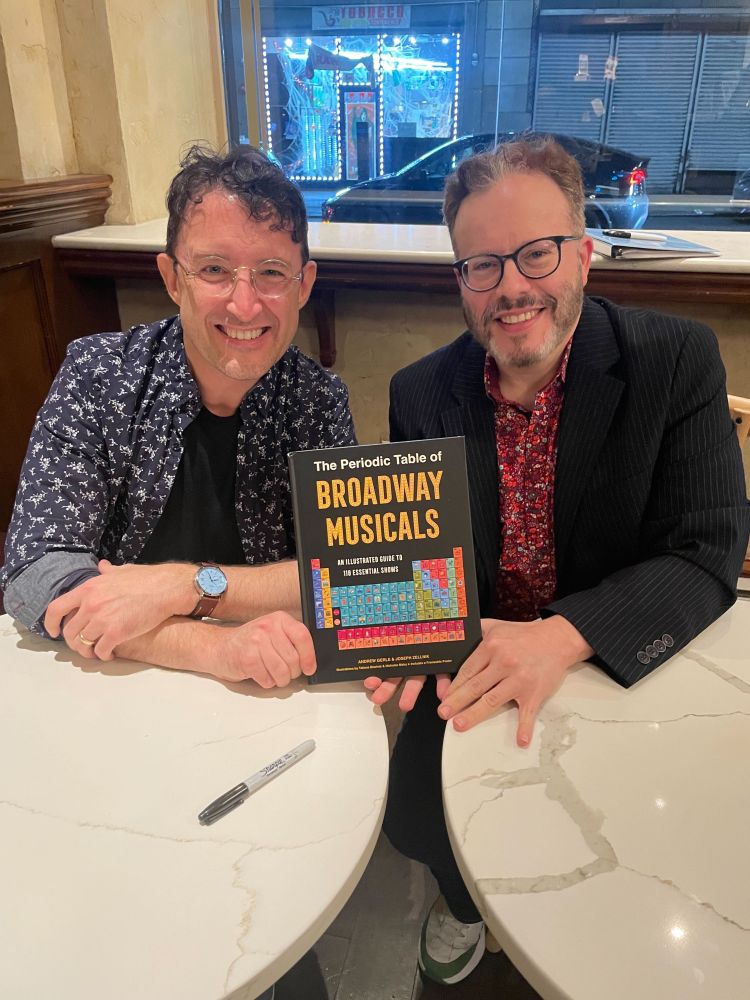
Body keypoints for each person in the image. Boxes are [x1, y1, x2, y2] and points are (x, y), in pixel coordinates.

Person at [365, 136, 750, 985]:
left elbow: (709, 547)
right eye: (481, 265)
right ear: (459, 279)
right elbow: (421, 565)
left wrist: (564, 635)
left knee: (641, 834)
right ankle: (467, 903)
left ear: (582, 254)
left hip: (615, 661)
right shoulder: (419, 392)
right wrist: (400, 631)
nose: (511, 287)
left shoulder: (673, 361)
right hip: (475, 665)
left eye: (536, 253)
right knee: (414, 815)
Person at [1, 144, 355, 686]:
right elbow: (36, 571)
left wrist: (183, 587)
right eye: (213, 269)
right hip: (113, 684)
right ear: (172, 278)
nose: (244, 304)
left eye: (271, 273)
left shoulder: (318, 401)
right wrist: (215, 648)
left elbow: (343, 574)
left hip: (268, 700)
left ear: (303, 285)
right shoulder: (99, 375)